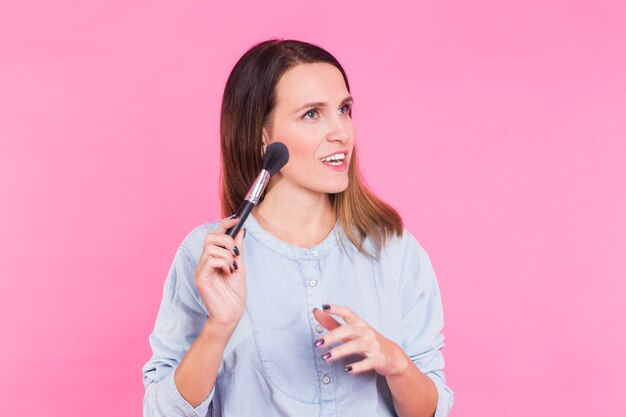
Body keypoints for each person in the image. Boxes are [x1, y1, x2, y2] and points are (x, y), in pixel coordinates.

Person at [142, 39, 454, 417]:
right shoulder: (209, 254)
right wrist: (219, 327)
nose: (341, 132)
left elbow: (431, 409)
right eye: (312, 114)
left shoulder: (393, 249)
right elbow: (163, 412)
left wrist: (396, 363)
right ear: (262, 136)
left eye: (344, 109)